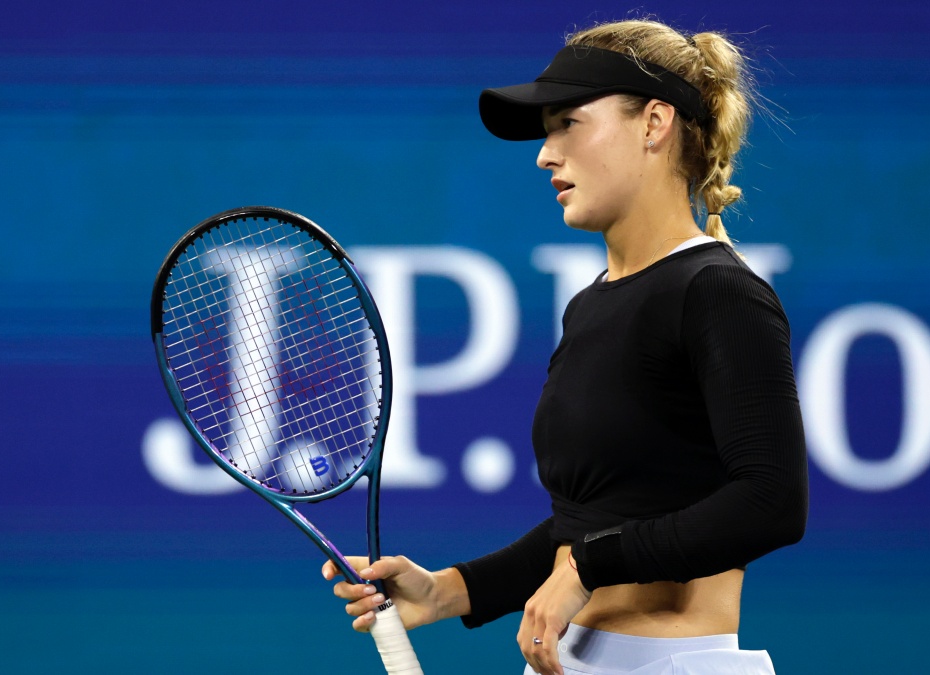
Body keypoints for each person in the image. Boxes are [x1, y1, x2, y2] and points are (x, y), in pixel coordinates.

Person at [323, 18, 808, 675]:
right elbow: (586, 520)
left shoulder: (720, 291)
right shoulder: (590, 304)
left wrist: (589, 565)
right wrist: (449, 589)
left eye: (567, 123)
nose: (545, 154)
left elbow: (772, 501)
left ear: (654, 122)